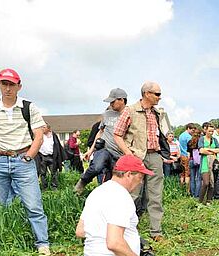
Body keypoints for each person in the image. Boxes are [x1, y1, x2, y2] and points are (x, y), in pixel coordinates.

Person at [76, 154, 178, 256]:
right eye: (141, 177)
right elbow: (114, 243)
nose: (141, 182)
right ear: (129, 174)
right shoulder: (121, 198)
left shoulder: (97, 192)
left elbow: (81, 231)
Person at [0, 68, 50, 256]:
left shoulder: (29, 107)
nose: (8, 88)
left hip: (23, 160)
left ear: (19, 86)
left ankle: (42, 243)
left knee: (33, 204)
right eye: (4, 83)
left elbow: (38, 135)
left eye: (12, 84)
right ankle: (1, 244)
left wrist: (28, 157)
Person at [113, 81, 171, 241]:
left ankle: (156, 232)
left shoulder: (157, 113)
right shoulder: (130, 110)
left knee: (156, 195)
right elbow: (117, 134)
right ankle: (121, 231)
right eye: (157, 94)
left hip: (154, 156)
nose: (160, 97)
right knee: (131, 195)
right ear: (147, 93)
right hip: (135, 157)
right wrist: (128, 154)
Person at [75, 88, 128, 194]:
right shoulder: (107, 114)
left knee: (116, 181)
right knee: (96, 167)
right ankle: (83, 181)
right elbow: (100, 132)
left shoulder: (130, 114)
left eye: (113, 101)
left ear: (121, 100)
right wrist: (91, 150)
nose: (111, 104)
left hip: (120, 153)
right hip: (105, 149)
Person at [198, 124, 219, 204]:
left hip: (213, 164)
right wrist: (212, 151)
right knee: (206, 182)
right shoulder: (202, 139)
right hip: (204, 163)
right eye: (209, 131)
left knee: (212, 183)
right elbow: (201, 150)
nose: (211, 133)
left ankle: (209, 200)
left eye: (212, 131)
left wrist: (208, 150)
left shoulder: (214, 140)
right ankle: (200, 201)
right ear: (205, 130)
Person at [37, 123, 64, 190]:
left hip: (52, 157)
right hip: (42, 157)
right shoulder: (40, 135)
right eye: (42, 127)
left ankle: (54, 187)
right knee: (43, 173)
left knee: (54, 172)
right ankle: (44, 187)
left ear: (49, 128)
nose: (42, 129)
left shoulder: (54, 135)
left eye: (44, 127)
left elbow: (58, 147)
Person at [178, 123, 195, 191]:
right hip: (187, 156)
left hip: (182, 155)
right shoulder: (188, 137)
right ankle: (187, 190)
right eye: (192, 130)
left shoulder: (181, 135)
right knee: (187, 173)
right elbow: (191, 147)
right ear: (188, 128)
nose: (192, 132)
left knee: (182, 173)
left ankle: (181, 188)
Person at [188, 128, 202, 198]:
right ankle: (197, 195)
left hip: (191, 160)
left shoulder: (190, 142)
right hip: (199, 161)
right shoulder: (201, 142)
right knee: (199, 179)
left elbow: (188, 153)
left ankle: (192, 194)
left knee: (192, 178)